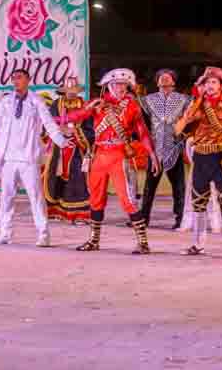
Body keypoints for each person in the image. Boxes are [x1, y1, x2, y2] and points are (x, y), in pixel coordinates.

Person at [0, 69, 72, 247]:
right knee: (6, 197)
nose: (16, 81)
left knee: (35, 196)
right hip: (9, 158)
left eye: (19, 78)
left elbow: (49, 124)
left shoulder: (36, 102)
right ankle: (5, 233)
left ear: (28, 80)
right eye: (14, 78)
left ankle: (43, 234)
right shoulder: (6, 102)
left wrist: (62, 142)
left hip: (28, 158)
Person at [64, 68, 158, 254]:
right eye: (116, 84)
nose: (120, 87)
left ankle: (143, 242)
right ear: (108, 85)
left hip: (119, 155)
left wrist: (152, 154)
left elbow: (142, 132)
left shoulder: (132, 106)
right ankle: (93, 240)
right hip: (99, 155)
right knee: (96, 199)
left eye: (124, 84)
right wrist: (88, 109)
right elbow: (72, 118)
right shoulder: (98, 102)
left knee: (128, 200)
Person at [174, 66, 222, 258]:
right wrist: (194, 108)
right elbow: (179, 131)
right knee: (198, 203)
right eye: (207, 82)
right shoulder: (196, 105)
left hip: (220, 158)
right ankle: (198, 244)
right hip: (200, 158)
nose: (209, 86)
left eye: (214, 82)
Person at [140, 69, 190, 229]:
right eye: (162, 77)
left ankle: (180, 218)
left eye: (168, 77)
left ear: (174, 81)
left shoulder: (184, 100)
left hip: (174, 147)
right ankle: (143, 218)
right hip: (155, 149)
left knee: (178, 187)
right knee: (149, 186)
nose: (165, 79)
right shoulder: (148, 100)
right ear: (157, 81)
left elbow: (189, 122)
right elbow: (143, 123)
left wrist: (183, 137)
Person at [43, 75, 94, 224]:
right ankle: (57, 212)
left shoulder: (85, 106)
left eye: (74, 90)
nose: (71, 92)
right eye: (68, 89)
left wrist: (76, 132)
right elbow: (47, 123)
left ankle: (78, 214)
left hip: (77, 148)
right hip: (58, 149)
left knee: (77, 178)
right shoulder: (55, 105)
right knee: (56, 178)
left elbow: (91, 130)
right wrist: (60, 130)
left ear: (78, 91)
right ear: (64, 90)